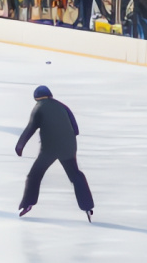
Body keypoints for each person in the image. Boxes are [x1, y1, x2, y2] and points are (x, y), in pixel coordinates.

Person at [15, 85, 95, 220]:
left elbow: (30, 128)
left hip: (49, 149)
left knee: (35, 175)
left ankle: (28, 203)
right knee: (76, 175)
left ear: (36, 98)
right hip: (68, 148)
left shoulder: (38, 108)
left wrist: (19, 146)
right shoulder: (63, 106)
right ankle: (87, 206)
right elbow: (76, 130)